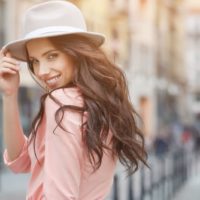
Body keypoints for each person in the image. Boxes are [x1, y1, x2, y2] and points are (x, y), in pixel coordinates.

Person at [0, 1, 147, 199]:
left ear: (75, 53)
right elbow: (22, 161)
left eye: (52, 56)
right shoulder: (101, 103)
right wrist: (10, 96)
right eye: (34, 61)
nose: (41, 71)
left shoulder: (61, 104)